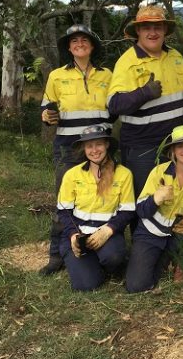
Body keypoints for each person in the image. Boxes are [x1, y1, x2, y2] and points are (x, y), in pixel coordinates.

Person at [39, 24, 113, 275]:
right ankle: (56, 254)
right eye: (74, 41)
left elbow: (116, 110)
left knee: (103, 196)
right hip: (68, 148)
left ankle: (101, 249)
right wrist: (46, 115)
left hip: (101, 149)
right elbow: (45, 109)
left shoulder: (107, 75)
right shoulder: (57, 76)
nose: (79, 43)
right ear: (69, 48)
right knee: (65, 200)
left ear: (92, 46)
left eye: (85, 40)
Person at [107, 5, 183, 198]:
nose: (152, 32)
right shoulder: (127, 61)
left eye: (157, 27)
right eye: (146, 28)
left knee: (173, 197)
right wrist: (144, 93)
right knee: (145, 199)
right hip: (143, 148)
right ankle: (141, 230)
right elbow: (114, 104)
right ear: (138, 31)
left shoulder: (175, 57)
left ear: (164, 30)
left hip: (175, 143)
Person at [125, 125, 183, 293]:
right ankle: (164, 260)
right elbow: (141, 211)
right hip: (151, 233)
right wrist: (156, 199)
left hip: (179, 232)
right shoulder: (158, 172)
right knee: (137, 286)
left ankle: (182, 264)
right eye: (180, 146)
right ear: (172, 150)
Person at [57, 124, 134, 291]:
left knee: (113, 257)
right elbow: (63, 211)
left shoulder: (124, 174)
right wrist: (73, 235)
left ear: (106, 144)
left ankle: (107, 261)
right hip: (79, 234)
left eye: (98, 144)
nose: (94, 150)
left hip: (108, 234)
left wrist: (108, 230)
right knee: (86, 285)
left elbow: (127, 211)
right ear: (84, 149)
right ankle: (86, 263)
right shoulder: (72, 174)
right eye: (89, 146)